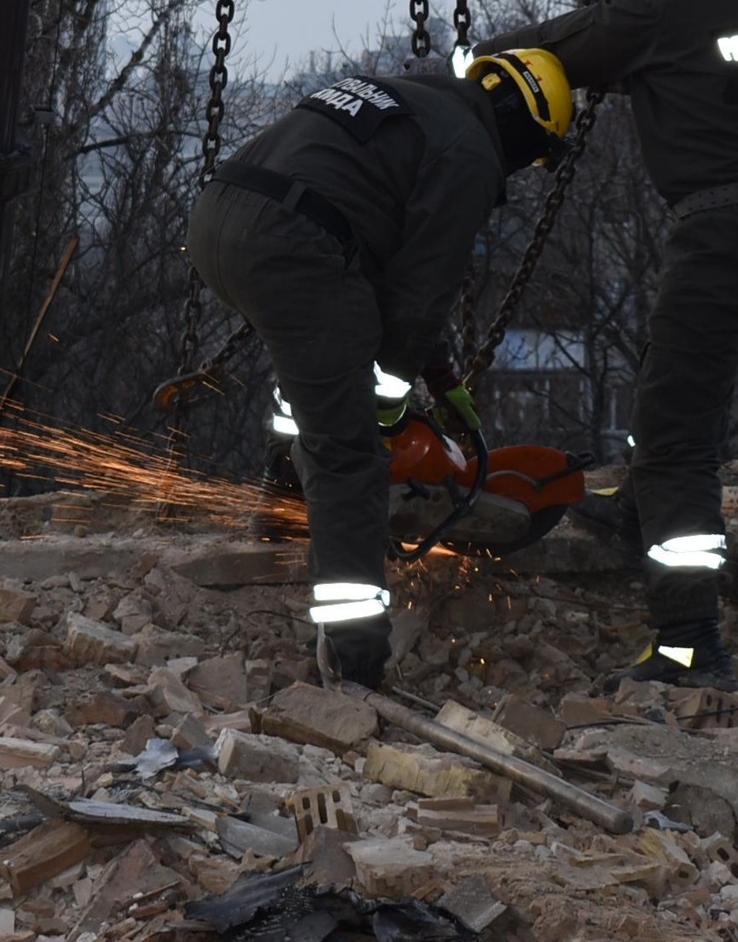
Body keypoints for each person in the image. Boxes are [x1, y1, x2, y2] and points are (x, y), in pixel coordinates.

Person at [475, 0, 738, 689]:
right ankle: (637, 512)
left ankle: (688, 639)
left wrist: (462, 67)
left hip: (721, 231)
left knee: (674, 438)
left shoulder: (669, 8)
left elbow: (553, 45)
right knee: (681, 381)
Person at [185, 49, 572, 689]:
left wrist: (441, 378)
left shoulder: (412, 99)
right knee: (350, 450)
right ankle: (356, 659)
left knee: (318, 379)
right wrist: (388, 403)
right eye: (533, 155)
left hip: (219, 220)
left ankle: (282, 506)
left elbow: (398, 273)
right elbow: (421, 291)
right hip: (294, 242)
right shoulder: (473, 153)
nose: (523, 167)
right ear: (523, 126)